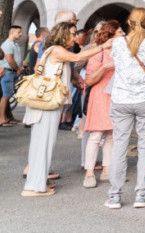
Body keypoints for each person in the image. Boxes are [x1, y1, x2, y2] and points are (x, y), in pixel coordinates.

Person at [21, 23, 110, 197]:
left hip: (47, 102)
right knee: (43, 142)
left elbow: (68, 68)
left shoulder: (54, 50)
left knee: (44, 142)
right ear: (62, 34)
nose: (75, 36)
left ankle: (39, 180)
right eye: (72, 33)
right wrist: (102, 47)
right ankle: (34, 186)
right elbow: (78, 58)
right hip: (47, 103)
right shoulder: (56, 49)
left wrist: (76, 79)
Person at [106, 8, 145, 209]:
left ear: (128, 22)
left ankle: (114, 196)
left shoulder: (118, 43)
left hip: (121, 98)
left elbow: (118, 66)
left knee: (119, 146)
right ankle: (142, 194)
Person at [82, 20, 119, 188]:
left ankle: (106, 169)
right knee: (96, 135)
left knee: (112, 135)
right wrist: (104, 67)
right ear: (110, 36)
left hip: (117, 95)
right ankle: (89, 172)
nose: (123, 35)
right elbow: (89, 80)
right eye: (120, 33)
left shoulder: (123, 52)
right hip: (100, 95)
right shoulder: (99, 53)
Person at [0, 25, 24, 126]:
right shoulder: (8, 44)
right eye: (19, 32)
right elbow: (9, 59)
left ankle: (5, 117)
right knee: (5, 96)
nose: (21, 34)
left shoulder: (15, 44)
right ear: (12, 32)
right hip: (8, 72)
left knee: (7, 95)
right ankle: (2, 119)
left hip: (12, 72)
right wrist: (18, 69)